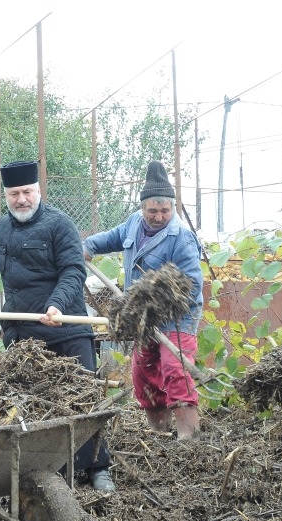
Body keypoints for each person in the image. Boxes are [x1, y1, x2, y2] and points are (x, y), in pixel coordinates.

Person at [0, 160, 115, 493]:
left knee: (83, 401)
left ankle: (98, 468)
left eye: (27, 191)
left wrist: (55, 303)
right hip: (24, 337)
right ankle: (52, 470)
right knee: (36, 405)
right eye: (14, 194)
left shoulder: (60, 225)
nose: (21, 199)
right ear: (6, 195)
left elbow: (73, 270)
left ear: (38, 190)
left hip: (66, 330)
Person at [83, 160, 204, 440]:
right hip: (143, 319)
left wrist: (149, 298)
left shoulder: (181, 238)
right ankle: (158, 437)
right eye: (153, 211)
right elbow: (107, 239)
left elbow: (192, 285)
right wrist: (87, 247)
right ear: (143, 209)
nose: (159, 216)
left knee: (176, 369)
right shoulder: (133, 225)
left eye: (165, 210)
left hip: (177, 317)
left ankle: (190, 439)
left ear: (172, 208)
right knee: (144, 374)